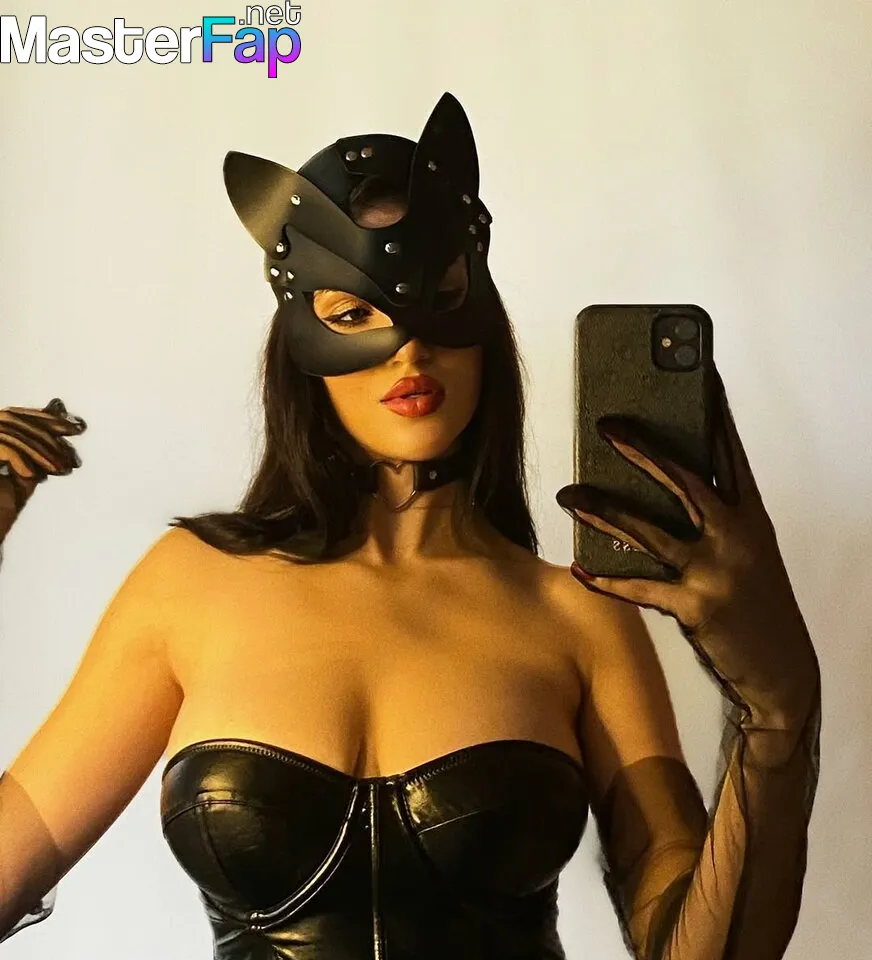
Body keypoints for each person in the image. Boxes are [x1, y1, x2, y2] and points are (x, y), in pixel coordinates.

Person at [0, 93, 821, 959]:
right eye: (352, 313)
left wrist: (778, 710)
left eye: (441, 297)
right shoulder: (188, 586)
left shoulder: (579, 618)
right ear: (299, 344)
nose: (407, 347)